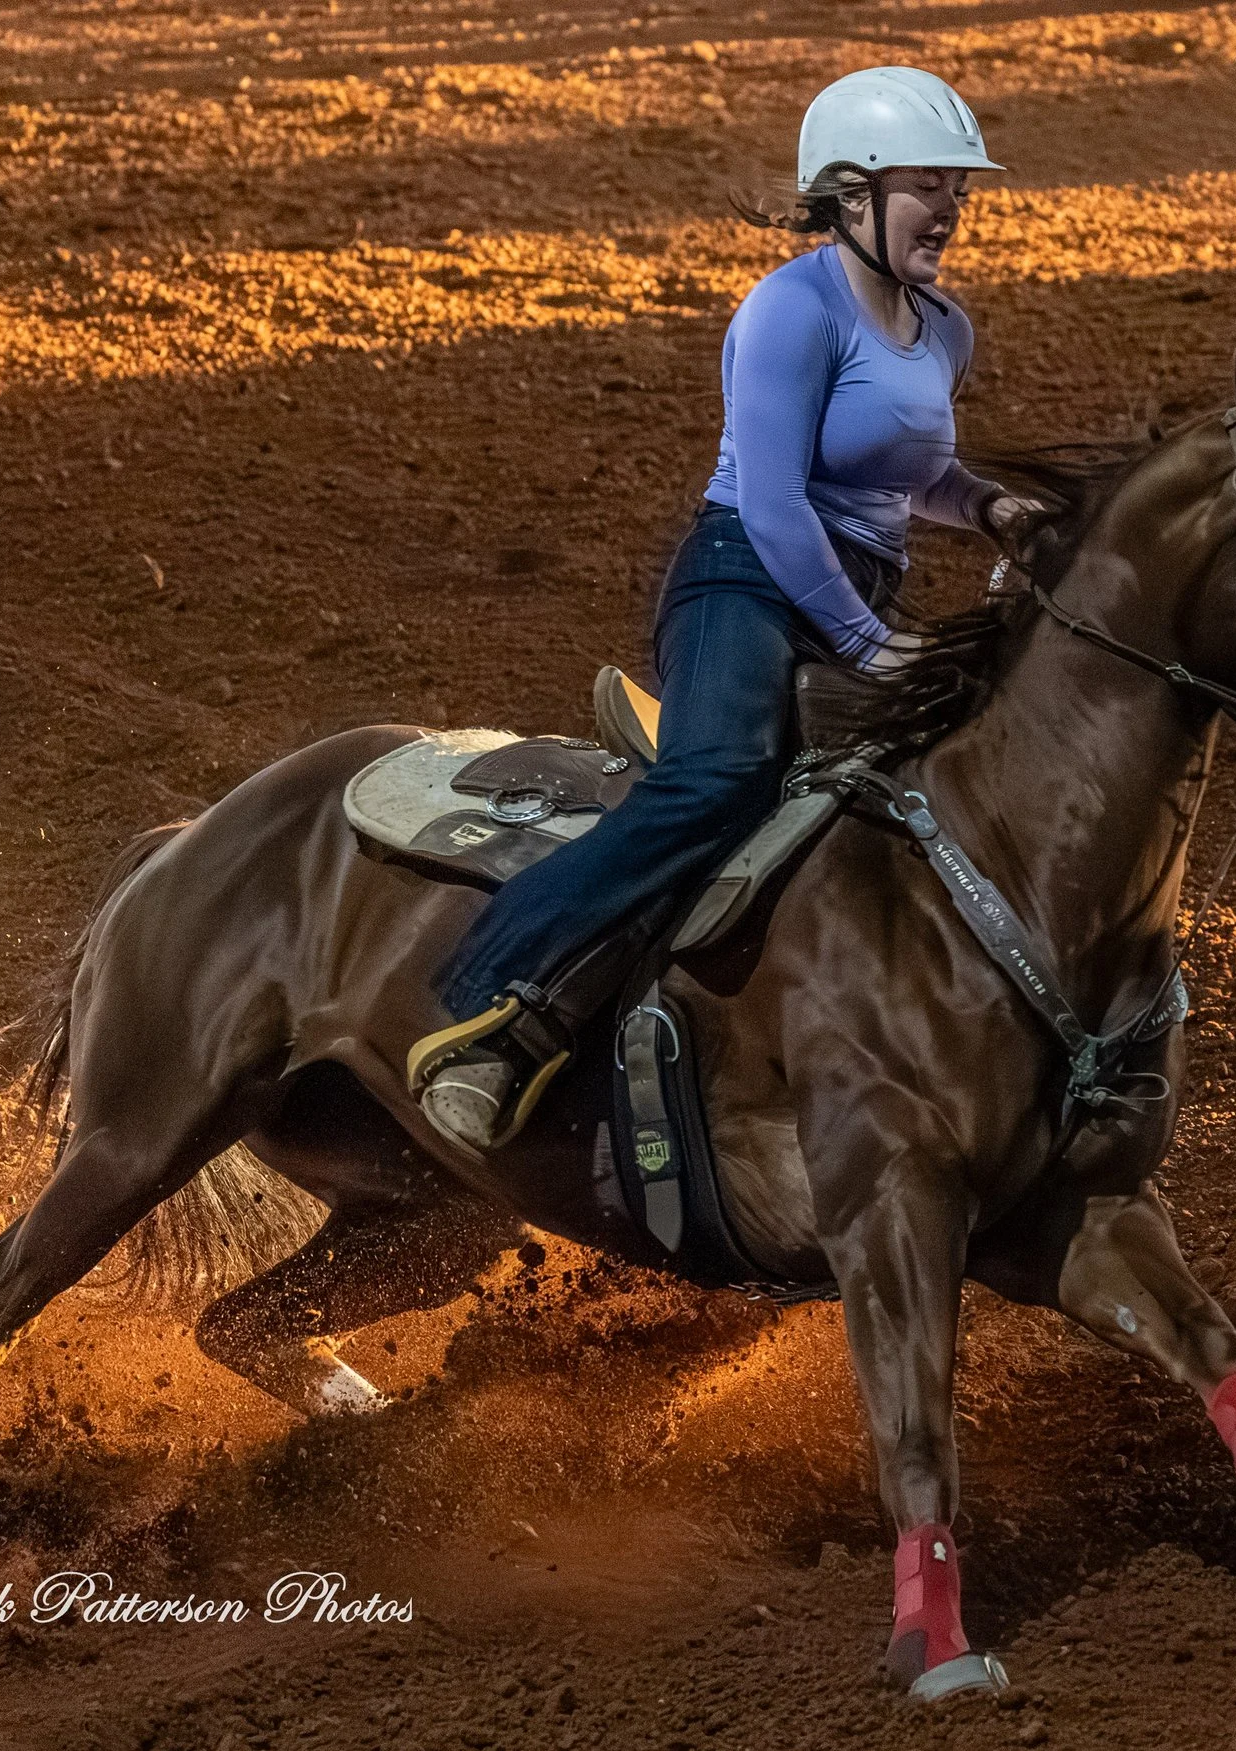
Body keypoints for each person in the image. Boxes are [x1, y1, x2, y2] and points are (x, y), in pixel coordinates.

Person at [409, 65, 1043, 1159]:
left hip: (853, 582)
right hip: (742, 574)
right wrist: (866, 641)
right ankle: (492, 1005)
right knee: (721, 777)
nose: (950, 208)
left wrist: (987, 504)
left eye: (959, 188)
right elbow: (775, 499)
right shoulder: (789, 311)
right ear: (851, 195)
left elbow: (907, 473)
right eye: (926, 185)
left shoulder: (944, 329)